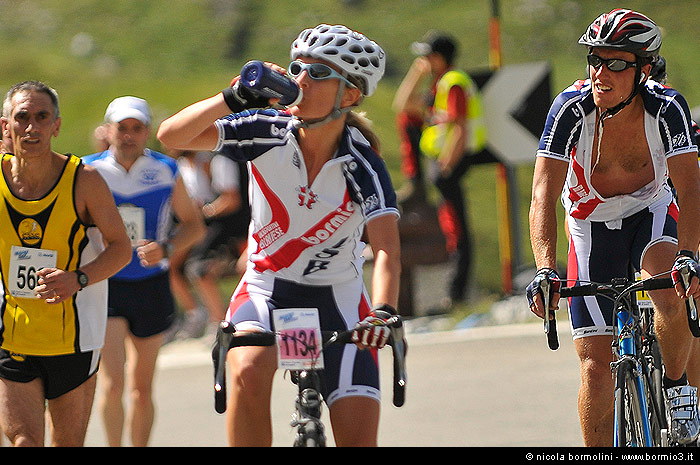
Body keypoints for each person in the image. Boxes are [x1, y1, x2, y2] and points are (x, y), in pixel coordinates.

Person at [158, 24, 401, 447]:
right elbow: (170, 136)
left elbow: (386, 250)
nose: (300, 81)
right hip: (266, 289)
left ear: (350, 95)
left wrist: (381, 312)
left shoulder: (362, 162)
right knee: (249, 371)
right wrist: (232, 98)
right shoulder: (265, 129)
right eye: (296, 69)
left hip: (338, 300)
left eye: (319, 74)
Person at [527, 9, 700, 446]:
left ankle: (678, 387)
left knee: (668, 286)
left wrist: (687, 256)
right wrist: (545, 269)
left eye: (617, 63)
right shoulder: (570, 109)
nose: (602, 73)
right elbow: (543, 195)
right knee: (595, 370)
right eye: (595, 60)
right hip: (589, 225)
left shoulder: (667, 109)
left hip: (650, 212)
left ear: (643, 70)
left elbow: (691, 189)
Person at [0, 81, 132, 446]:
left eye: (42, 117)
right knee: (24, 440)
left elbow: (121, 248)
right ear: (5, 125)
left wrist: (78, 278)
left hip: (73, 339)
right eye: (22, 117)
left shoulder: (83, 181)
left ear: (56, 126)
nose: (31, 127)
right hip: (14, 334)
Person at [84, 96, 205, 446]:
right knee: (112, 382)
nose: (129, 135)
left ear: (148, 132)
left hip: (150, 285)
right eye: (122, 128)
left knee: (141, 386)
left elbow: (194, 226)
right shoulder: (88, 170)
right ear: (109, 130)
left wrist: (166, 248)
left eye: (137, 128)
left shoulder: (167, 170)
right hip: (108, 284)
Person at [392, 31, 489, 305]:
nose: (422, 59)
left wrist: (446, 164)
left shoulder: (453, 82)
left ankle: (457, 292)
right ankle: (455, 290)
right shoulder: (439, 85)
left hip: (450, 163)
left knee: (457, 226)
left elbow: (461, 126)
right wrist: (416, 73)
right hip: (441, 161)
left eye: (426, 55)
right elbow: (403, 105)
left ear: (438, 57)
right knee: (452, 222)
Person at [168, 149, 250, 339]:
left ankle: (220, 320)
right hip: (200, 225)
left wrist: (205, 211)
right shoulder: (185, 164)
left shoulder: (220, 158)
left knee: (200, 268)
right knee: (169, 264)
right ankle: (197, 314)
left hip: (230, 226)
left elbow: (231, 200)